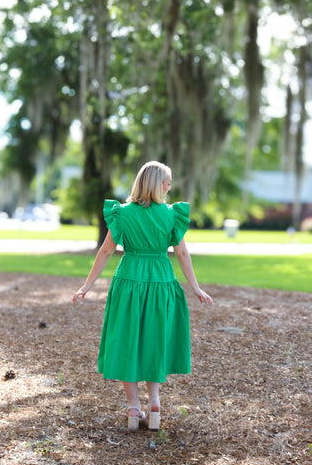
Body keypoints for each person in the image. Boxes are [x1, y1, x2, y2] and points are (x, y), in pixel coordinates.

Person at [72, 160, 214, 431]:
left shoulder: (122, 214)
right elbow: (182, 253)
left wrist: (87, 285)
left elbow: (105, 251)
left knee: (128, 339)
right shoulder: (172, 215)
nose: (169, 188)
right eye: (167, 183)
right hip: (161, 279)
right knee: (154, 338)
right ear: (158, 185)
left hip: (129, 281)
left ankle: (133, 408)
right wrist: (195, 287)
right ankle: (155, 402)